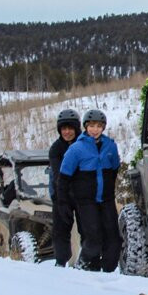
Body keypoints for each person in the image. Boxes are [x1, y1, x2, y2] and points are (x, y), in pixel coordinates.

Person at [58, 109, 121, 271]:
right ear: (85, 127)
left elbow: (114, 169)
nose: (95, 130)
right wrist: (63, 202)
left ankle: (107, 273)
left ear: (103, 127)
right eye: (91, 126)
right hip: (86, 202)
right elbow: (63, 178)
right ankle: (82, 266)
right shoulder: (76, 149)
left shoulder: (110, 146)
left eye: (99, 126)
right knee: (93, 240)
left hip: (106, 200)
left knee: (114, 240)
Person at [49, 109, 82, 267]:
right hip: (61, 193)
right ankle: (60, 262)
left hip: (82, 193)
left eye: (70, 128)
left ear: (76, 128)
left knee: (88, 228)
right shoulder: (56, 149)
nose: (67, 132)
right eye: (64, 128)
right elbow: (58, 175)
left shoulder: (85, 144)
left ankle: (88, 262)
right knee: (60, 230)